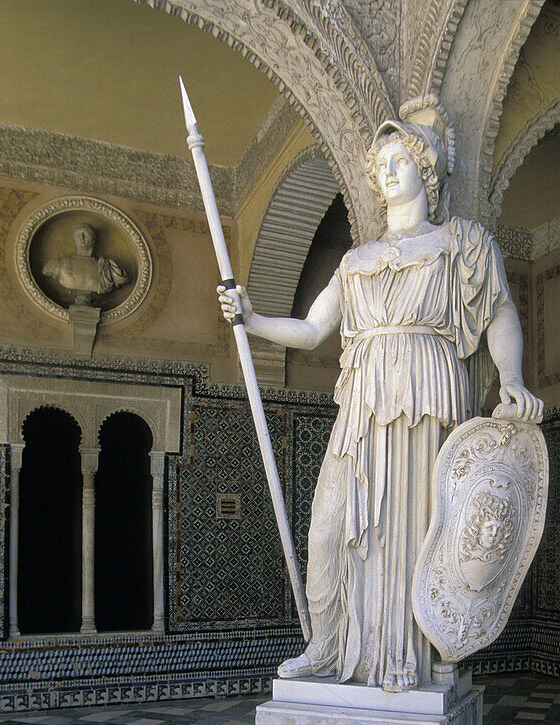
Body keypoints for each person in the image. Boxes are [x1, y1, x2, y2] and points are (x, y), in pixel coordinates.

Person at [219, 95, 543, 692]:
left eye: (400, 159)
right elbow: (315, 329)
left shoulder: (461, 246)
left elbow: (499, 313)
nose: (388, 171)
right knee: (328, 528)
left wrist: (513, 380)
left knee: (416, 531)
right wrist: (253, 318)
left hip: (426, 393)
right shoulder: (356, 260)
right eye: (382, 165)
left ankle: (410, 657)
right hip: (364, 402)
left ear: (427, 170)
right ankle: (328, 645)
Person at [43, 222, 128, 304]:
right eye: (78, 235)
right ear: (74, 240)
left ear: (94, 240)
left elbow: (122, 279)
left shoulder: (108, 267)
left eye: (86, 234)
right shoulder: (58, 265)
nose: (82, 237)